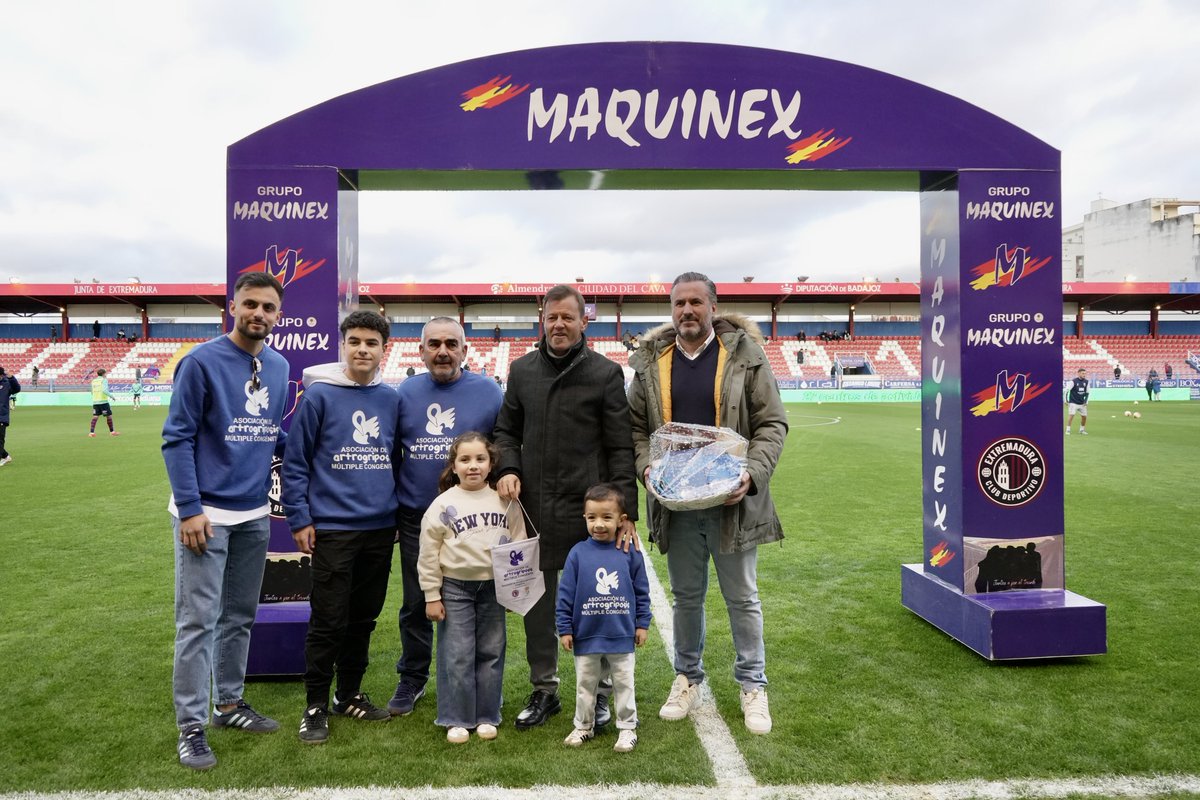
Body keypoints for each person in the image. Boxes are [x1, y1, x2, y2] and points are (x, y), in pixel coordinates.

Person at [628, 271, 788, 735]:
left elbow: (772, 425)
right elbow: (638, 431)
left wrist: (751, 475)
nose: (687, 311)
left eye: (696, 302)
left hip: (732, 503)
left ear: (713, 307)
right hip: (677, 507)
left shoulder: (746, 356)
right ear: (671, 309)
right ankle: (687, 677)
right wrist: (646, 468)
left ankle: (753, 685)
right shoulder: (650, 363)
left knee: (742, 598)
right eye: (679, 303)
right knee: (686, 598)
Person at [494, 284, 639, 731]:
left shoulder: (605, 373)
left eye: (567, 318)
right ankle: (545, 689)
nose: (559, 325)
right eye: (552, 317)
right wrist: (509, 468)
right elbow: (505, 431)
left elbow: (620, 446)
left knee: (593, 601)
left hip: (588, 511)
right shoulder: (521, 371)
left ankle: (596, 694)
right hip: (534, 505)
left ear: (583, 322)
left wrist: (623, 511)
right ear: (543, 319)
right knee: (537, 604)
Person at [161, 271, 289, 770]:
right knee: (197, 621)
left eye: (268, 308)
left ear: (278, 315)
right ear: (232, 307)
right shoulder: (200, 362)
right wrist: (190, 508)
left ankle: (229, 705)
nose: (259, 313)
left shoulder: (276, 366)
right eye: (250, 304)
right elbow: (177, 438)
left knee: (239, 615)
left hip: (254, 512)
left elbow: (270, 436)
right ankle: (190, 725)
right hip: (206, 516)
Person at [283, 310, 400, 745]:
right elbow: (295, 462)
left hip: (379, 529)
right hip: (332, 528)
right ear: (343, 346)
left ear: (383, 350)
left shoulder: (392, 398)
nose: (363, 349)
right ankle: (314, 704)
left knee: (363, 618)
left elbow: (397, 459)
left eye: (371, 343)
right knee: (329, 619)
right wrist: (300, 517)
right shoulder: (319, 397)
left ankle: (348, 694)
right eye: (355, 342)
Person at [389, 317, 503, 717]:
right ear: (420, 351)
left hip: (475, 520)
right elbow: (391, 453)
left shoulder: (489, 392)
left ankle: (476, 680)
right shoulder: (404, 393)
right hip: (415, 515)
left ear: (464, 351)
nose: (442, 351)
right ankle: (412, 678)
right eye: (434, 344)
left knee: (478, 601)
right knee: (417, 600)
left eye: (451, 344)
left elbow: (503, 446)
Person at [418, 432, 526, 744]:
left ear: (492, 464)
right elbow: (428, 555)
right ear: (453, 466)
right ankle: (458, 717)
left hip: (493, 587)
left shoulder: (505, 500)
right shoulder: (442, 504)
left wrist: (513, 586)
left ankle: (487, 715)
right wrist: (431, 595)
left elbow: (518, 541)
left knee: (492, 651)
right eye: (465, 460)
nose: (473, 466)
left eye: (480, 459)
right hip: (455, 589)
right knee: (458, 654)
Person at [556, 484, 650, 753]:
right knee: (586, 685)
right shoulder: (577, 554)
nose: (599, 524)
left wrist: (642, 623)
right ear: (584, 518)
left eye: (606, 518)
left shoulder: (630, 552)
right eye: (592, 517)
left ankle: (627, 727)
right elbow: (565, 596)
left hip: (621, 635)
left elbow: (642, 591)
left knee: (624, 684)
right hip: (586, 635)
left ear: (621, 520)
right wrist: (565, 629)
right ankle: (584, 726)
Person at [88, 368, 120, 437]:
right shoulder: (104, 380)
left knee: (95, 416)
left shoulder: (93, 381)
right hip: (103, 402)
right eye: (105, 373)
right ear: (103, 374)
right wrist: (112, 396)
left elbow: (92, 392)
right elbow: (104, 390)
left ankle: (91, 433)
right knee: (109, 416)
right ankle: (112, 432)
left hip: (95, 401)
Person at [0, 366, 19, 467]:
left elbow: (17, 389)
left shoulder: (6, 383)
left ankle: (4, 457)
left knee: (0, 440)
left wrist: (11, 377)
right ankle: (6, 456)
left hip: (2, 416)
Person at [1065, 367, 1089, 435]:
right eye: (1082, 373)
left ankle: (1081, 430)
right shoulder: (1073, 381)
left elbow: (1087, 393)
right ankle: (1068, 430)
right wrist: (1066, 400)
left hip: (1082, 403)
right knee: (1071, 415)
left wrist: (1085, 402)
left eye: (1085, 373)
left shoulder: (1086, 382)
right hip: (1073, 402)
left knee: (1084, 417)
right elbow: (1066, 391)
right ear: (1078, 373)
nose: (1084, 374)